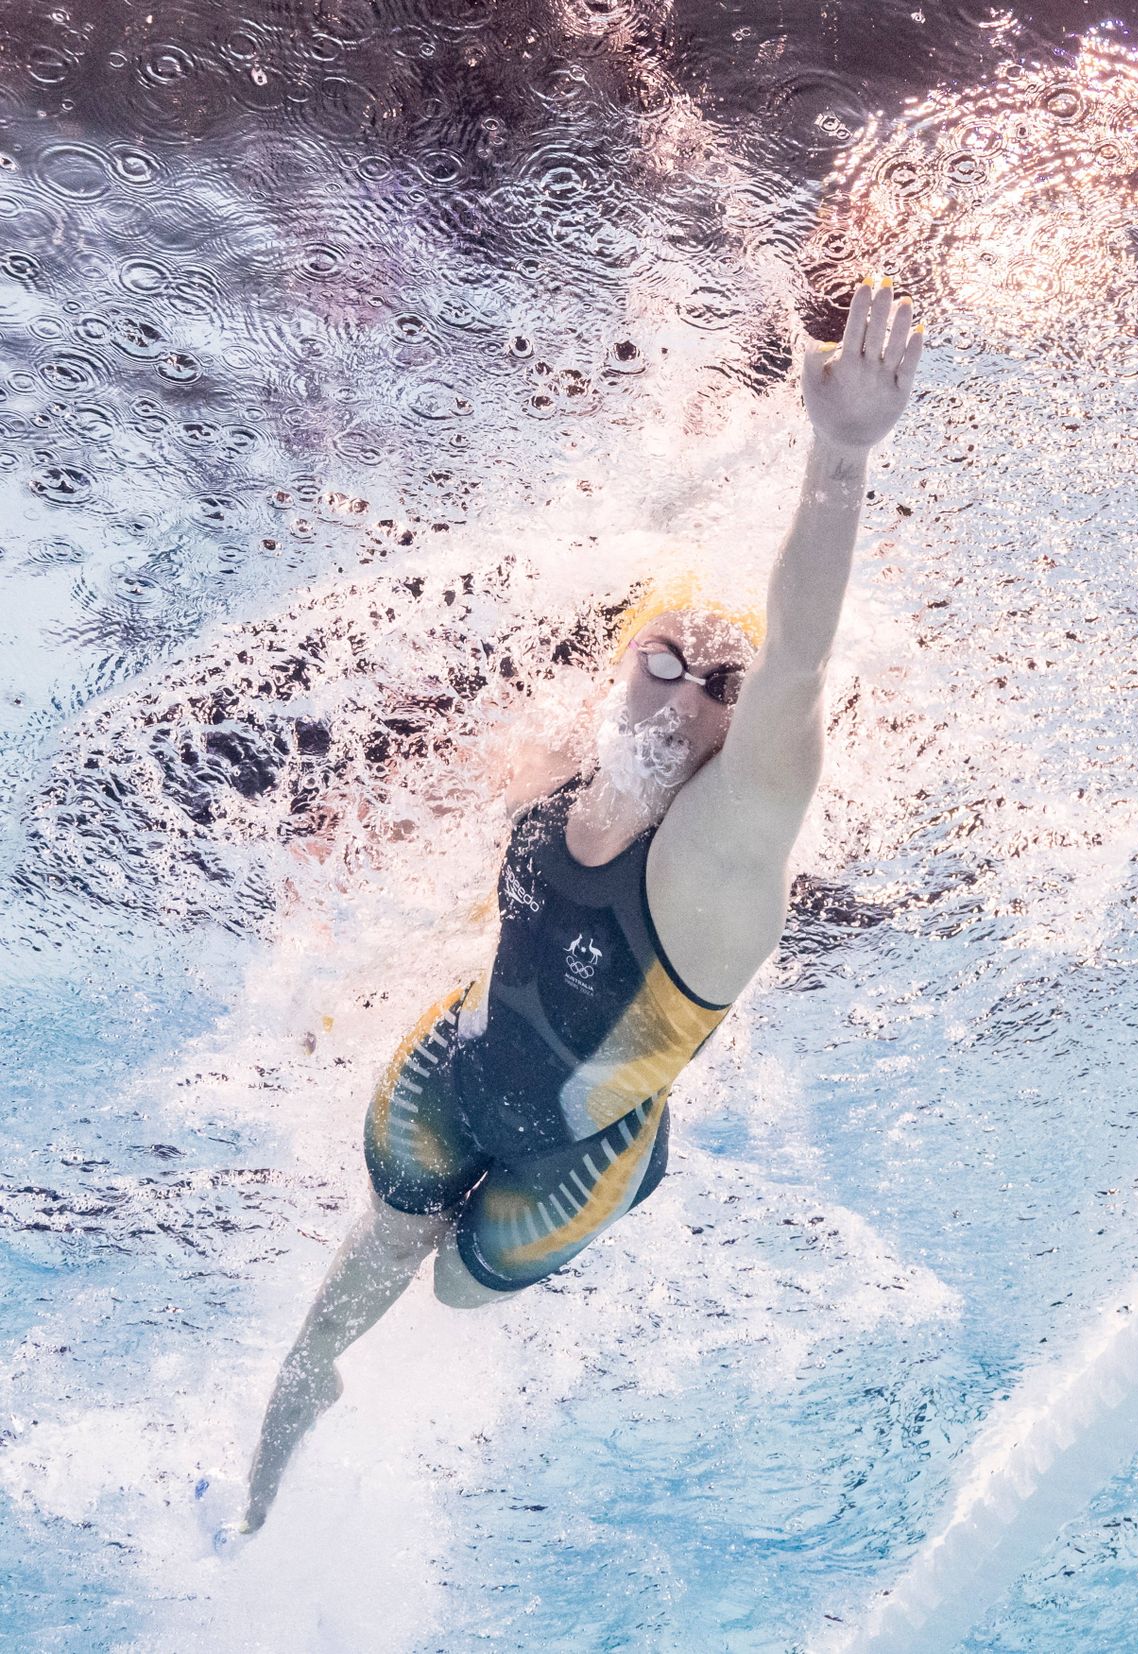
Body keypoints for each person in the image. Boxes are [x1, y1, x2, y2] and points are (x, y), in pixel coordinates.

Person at [235, 276, 924, 1535]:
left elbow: (799, 672)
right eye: (665, 654)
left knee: (457, 1284)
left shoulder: (717, 860)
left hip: (575, 1159)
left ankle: (399, 1354)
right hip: (467, 1056)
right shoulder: (588, 762)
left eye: (723, 679)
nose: (688, 686)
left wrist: (836, 457)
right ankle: (299, 1394)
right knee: (384, 1222)